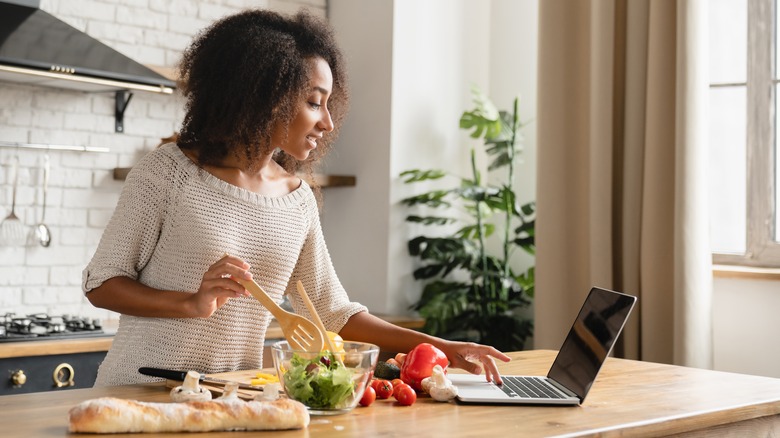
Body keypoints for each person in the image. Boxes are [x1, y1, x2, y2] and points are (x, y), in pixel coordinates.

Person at [82, 8, 509, 387]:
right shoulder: (168, 173)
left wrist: (441, 346)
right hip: (140, 390)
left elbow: (333, 312)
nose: (327, 122)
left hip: (231, 397)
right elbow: (101, 283)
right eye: (313, 103)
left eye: (328, 104)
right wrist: (191, 303)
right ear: (265, 96)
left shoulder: (296, 200)